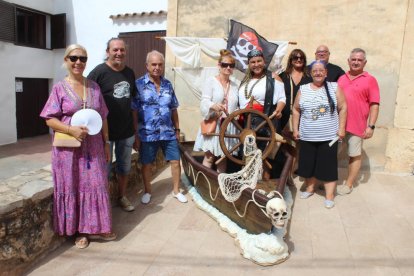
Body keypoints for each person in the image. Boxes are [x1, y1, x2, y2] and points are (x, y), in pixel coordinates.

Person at [40, 44, 116, 249]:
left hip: (94, 147)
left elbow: (103, 116)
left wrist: (106, 141)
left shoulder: (94, 87)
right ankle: (77, 231)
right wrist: (70, 129)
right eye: (73, 58)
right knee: (73, 185)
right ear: (66, 60)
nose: (78, 62)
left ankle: (94, 227)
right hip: (68, 149)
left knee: (96, 184)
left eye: (82, 58)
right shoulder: (59, 88)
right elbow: (48, 118)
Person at [132, 50, 188, 204]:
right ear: (147, 65)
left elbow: (173, 108)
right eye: (153, 64)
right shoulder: (138, 85)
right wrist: (135, 134)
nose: (157, 67)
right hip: (147, 133)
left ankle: (176, 191)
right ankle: (148, 191)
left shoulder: (167, 84)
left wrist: (177, 129)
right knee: (147, 164)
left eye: (160, 64)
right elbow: (134, 111)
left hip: (168, 132)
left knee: (175, 161)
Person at [88, 38, 136, 212]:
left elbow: (132, 102)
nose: (119, 53)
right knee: (103, 171)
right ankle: (103, 204)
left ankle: (122, 197)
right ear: (107, 51)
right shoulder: (98, 73)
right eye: (115, 50)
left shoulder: (130, 73)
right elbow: (87, 99)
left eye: (122, 50)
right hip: (103, 135)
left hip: (127, 132)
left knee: (124, 168)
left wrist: (136, 132)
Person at [292, 60, 347, 208]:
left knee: (328, 167)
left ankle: (329, 196)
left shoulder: (334, 87)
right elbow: (296, 109)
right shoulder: (303, 89)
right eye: (315, 70)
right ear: (310, 73)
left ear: (326, 73)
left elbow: (343, 108)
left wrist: (342, 129)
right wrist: (295, 129)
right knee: (308, 165)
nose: (318, 72)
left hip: (329, 136)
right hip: (307, 136)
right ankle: (310, 188)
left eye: (321, 70)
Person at [337, 48, 380, 195]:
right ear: (348, 61)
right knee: (330, 153)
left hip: (358, 126)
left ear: (365, 62)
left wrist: (371, 126)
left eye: (359, 60)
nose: (356, 62)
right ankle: (328, 180)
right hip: (338, 125)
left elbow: (374, 104)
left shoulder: (370, 80)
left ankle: (348, 184)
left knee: (354, 155)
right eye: (353, 59)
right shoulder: (341, 79)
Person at [238, 49, 286, 179]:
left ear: (264, 62)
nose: (256, 64)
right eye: (252, 62)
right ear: (249, 64)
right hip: (247, 122)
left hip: (264, 121)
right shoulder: (245, 80)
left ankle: (265, 185)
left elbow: (282, 98)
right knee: (248, 154)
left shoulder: (273, 77)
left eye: (259, 61)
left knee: (265, 155)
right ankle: (249, 183)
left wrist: (279, 110)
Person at [193, 49, 239, 173]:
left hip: (228, 127)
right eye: (225, 65)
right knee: (209, 157)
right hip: (215, 123)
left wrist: (237, 114)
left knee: (223, 158)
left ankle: (219, 186)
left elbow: (237, 106)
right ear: (219, 66)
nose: (228, 67)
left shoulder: (235, 86)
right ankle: (204, 183)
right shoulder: (211, 82)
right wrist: (213, 105)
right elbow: (204, 101)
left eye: (231, 65)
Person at [274, 49, 310, 131]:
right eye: (295, 58)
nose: (299, 60)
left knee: (300, 142)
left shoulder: (309, 78)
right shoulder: (282, 76)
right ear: (291, 60)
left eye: (301, 58)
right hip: (283, 117)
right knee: (282, 142)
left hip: (303, 118)